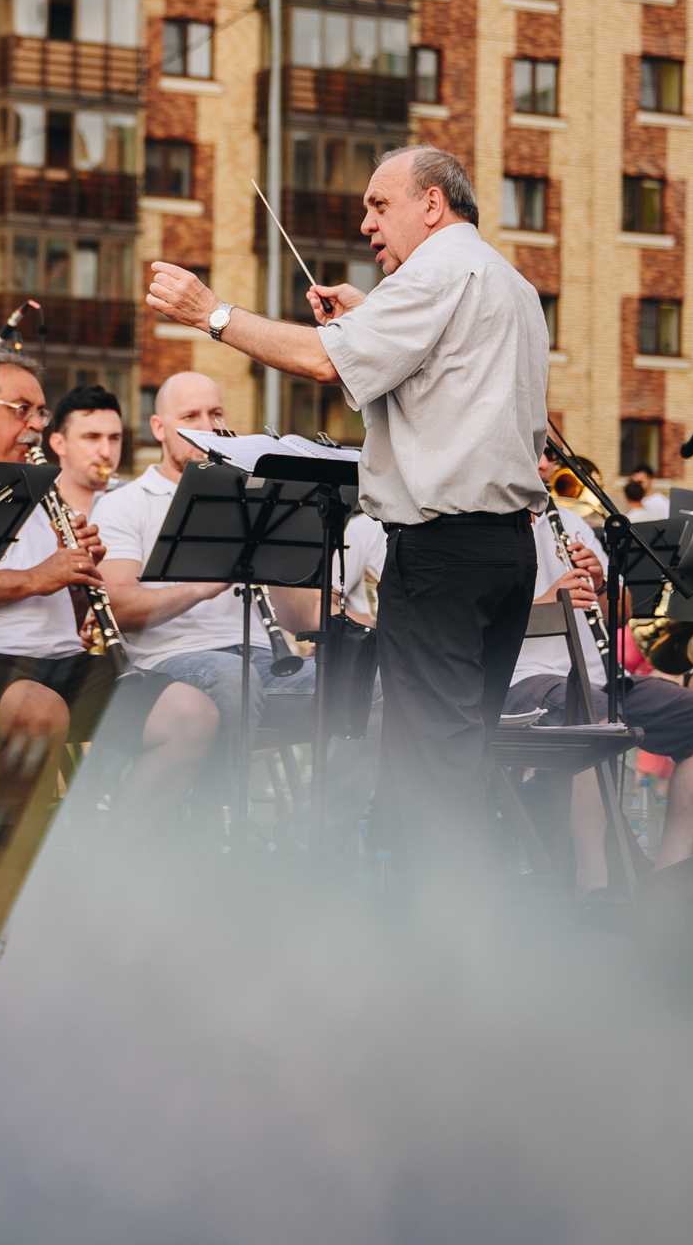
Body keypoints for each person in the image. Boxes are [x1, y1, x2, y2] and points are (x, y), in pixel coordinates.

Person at [144, 145, 547, 877]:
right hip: (505, 555)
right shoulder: (508, 281)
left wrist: (213, 313)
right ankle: (462, 944)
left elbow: (324, 362)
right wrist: (370, 315)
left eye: (377, 204)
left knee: (433, 777)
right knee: (459, 757)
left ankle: (454, 954)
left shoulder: (431, 272)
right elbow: (441, 367)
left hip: (442, 555)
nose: (365, 224)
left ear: (432, 204)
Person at [0, 351, 219, 831]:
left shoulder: (38, 488)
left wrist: (81, 571)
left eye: (40, 412)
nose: (36, 425)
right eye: (22, 409)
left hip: (61, 664)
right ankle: (1, 860)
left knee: (192, 715)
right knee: (42, 710)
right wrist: (37, 577)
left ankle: (110, 851)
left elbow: (72, 608)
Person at [509, 451, 693, 890]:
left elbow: (622, 612)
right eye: (533, 451)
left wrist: (598, 586)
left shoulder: (572, 523)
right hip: (523, 680)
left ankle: (667, 875)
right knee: (591, 713)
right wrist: (550, 603)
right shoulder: (484, 529)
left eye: (549, 455)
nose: (543, 464)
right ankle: (595, 878)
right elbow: (478, 625)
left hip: (598, 674)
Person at [90, 372, 322, 741]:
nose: (207, 428)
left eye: (216, 415)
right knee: (233, 677)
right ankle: (221, 801)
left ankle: (341, 802)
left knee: (367, 685)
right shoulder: (123, 503)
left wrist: (275, 554)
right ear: (159, 427)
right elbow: (117, 609)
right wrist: (201, 587)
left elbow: (301, 619)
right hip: (174, 662)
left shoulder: (253, 501)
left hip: (264, 660)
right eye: (190, 417)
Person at [45, 382, 125, 497]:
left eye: (114, 438)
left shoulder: (138, 504)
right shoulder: (33, 511)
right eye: (92, 437)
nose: (106, 453)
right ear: (59, 444)